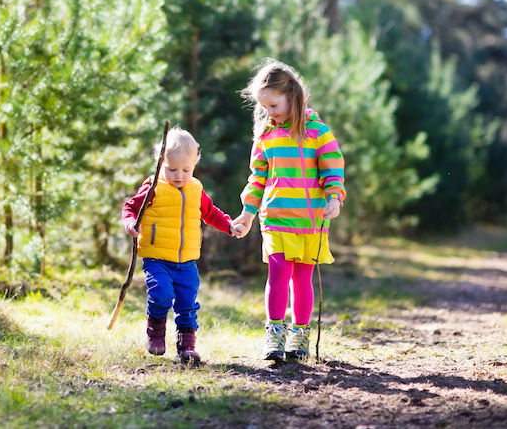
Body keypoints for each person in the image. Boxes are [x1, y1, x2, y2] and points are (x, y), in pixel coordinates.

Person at [231, 59, 345, 362]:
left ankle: (300, 333)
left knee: (302, 279)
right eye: (265, 107)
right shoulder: (266, 136)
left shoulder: (317, 132)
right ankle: (275, 332)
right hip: (276, 218)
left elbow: (332, 168)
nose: (270, 112)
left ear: (292, 95)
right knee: (279, 273)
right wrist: (247, 213)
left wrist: (335, 197)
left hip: (310, 221)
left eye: (273, 104)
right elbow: (257, 178)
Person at [122, 126, 235, 363]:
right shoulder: (153, 187)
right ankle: (156, 332)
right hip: (157, 257)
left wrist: (228, 225)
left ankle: (187, 346)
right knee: (161, 293)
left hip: (187, 261)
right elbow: (130, 208)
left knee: (187, 302)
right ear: (160, 162)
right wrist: (131, 223)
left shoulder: (196, 188)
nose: (179, 175)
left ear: (195, 165)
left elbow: (210, 213)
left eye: (186, 169)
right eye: (172, 169)